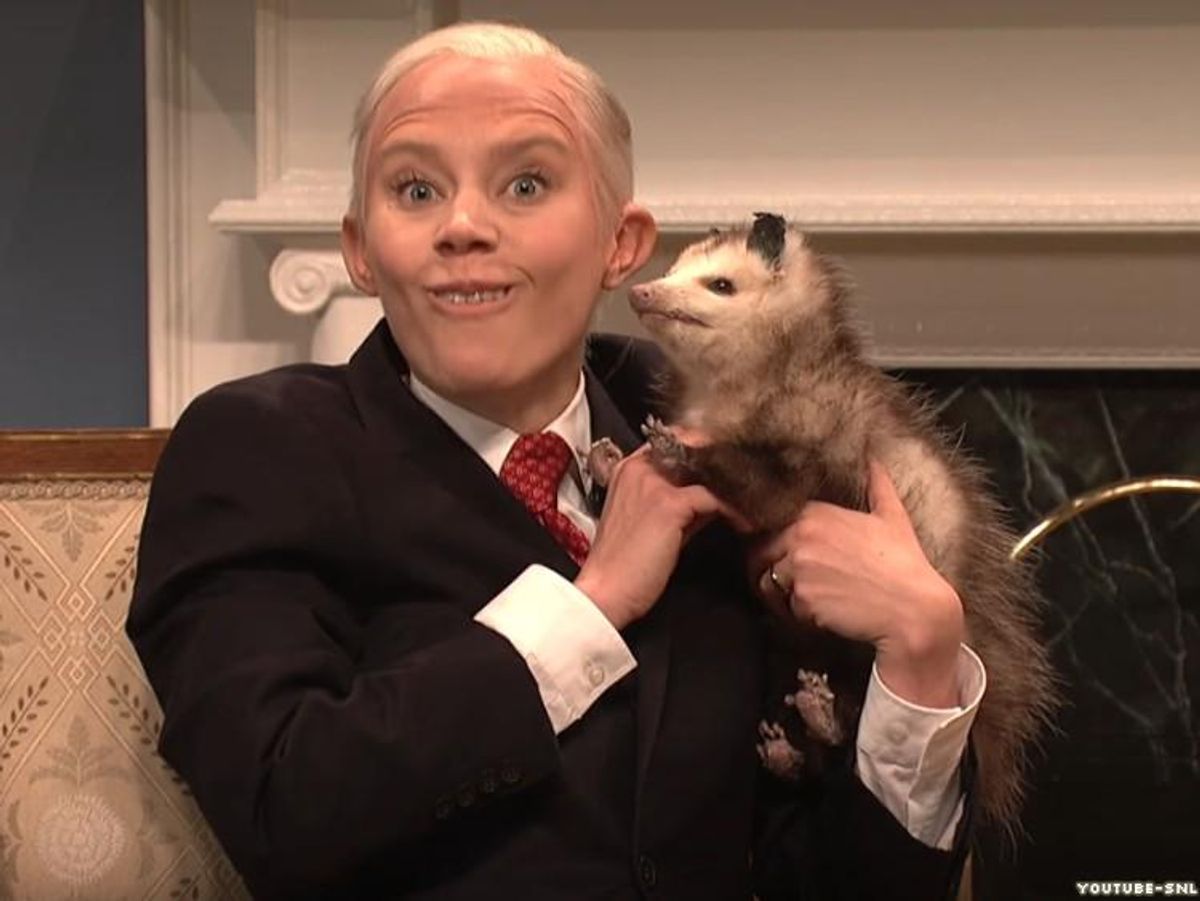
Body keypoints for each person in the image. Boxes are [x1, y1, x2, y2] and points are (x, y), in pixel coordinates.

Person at [128, 21, 984, 900]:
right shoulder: (258, 449)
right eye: (416, 189)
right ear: (359, 250)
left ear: (623, 243)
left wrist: (919, 666)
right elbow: (282, 807)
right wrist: (591, 601)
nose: (463, 225)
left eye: (525, 183)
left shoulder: (718, 425)